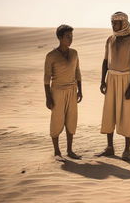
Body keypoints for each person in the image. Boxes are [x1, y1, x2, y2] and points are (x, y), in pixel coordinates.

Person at [98, 12, 130, 161]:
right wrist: (102, 81)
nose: (113, 25)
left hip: (126, 79)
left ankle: (127, 150)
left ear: (124, 23)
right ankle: (110, 147)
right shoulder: (110, 39)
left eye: (116, 23)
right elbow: (105, 61)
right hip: (111, 79)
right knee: (109, 112)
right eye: (112, 22)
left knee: (127, 113)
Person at [44, 24, 83, 160]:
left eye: (71, 36)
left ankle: (70, 150)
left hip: (72, 90)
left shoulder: (74, 53)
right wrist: (48, 97)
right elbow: (46, 78)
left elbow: (77, 71)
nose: (70, 39)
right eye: (68, 36)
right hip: (57, 91)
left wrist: (80, 90)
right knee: (57, 120)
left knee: (71, 120)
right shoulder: (51, 56)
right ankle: (57, 151)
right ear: (60, 37)